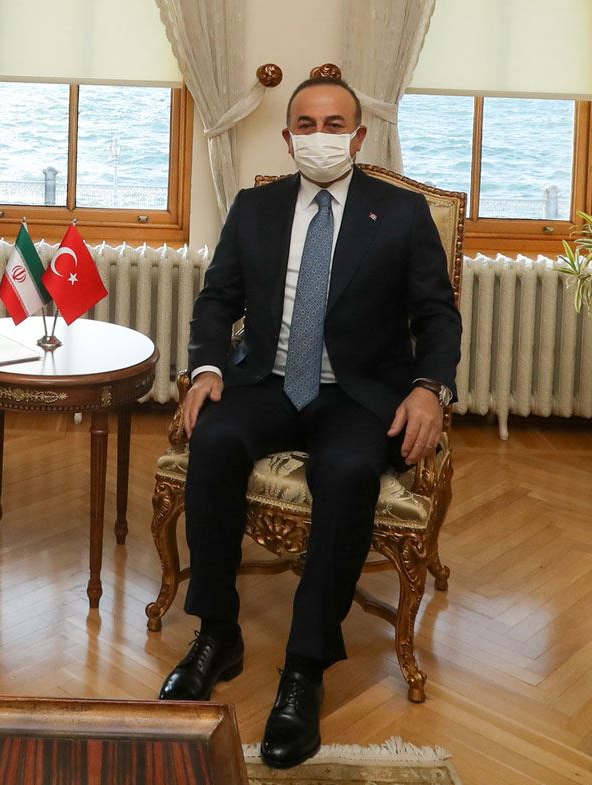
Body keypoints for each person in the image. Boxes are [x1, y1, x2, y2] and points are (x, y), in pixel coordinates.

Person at [157, 76, 462, 768]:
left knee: (348, 470)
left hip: (359, 393)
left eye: (334, 124)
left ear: (358, 136)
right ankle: (217, 633)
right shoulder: (256, 207)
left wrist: (429, 389)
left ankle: (305, 666)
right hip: (266, 381)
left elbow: (438, 315)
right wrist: (207, 367)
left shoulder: (402, 213)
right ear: (288, 136)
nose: (319, 135)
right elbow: (217, 299)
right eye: (306, 123)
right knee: (214, 440)